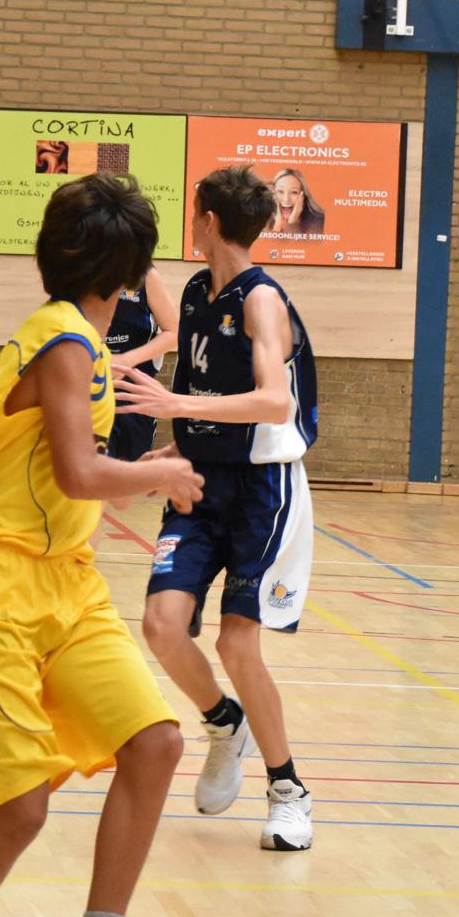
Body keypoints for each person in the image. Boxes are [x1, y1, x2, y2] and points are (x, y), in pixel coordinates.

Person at [0, 173, 201, 917]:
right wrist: (159, 472)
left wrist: (97, 463)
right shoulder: (66, 344)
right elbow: (78, 473)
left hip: (67, 581)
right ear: (130, 271)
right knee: (24, 805)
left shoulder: (57, 337)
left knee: (155, 742)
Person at [117, 165, 320, 851]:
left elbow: (274, 402)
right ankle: (223, 722)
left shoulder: (262, 300)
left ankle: (288, 790)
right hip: (201, 477)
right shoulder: (195, 292)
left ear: (208, 221)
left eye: (193, 209)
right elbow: (210, 393)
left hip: (263, 489)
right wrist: (179, 442)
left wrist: (173, 403)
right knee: (161, 624)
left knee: (236, 641)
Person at [102, 266, 179, 462]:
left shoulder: (145, 275)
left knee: (130, 471)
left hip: (134, 396)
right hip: (90, 394)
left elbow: (175, 333)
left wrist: (127, 360)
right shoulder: (82, 271)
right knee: (90, 471)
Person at [268, 168, 326, 236]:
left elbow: (308, 243)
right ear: (273, 193)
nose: (286, 199)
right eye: (280, 191)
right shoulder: (264, 213)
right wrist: (278, 224)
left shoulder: (316, 218)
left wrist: (292, 224)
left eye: (294, 192)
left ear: (303, 195)